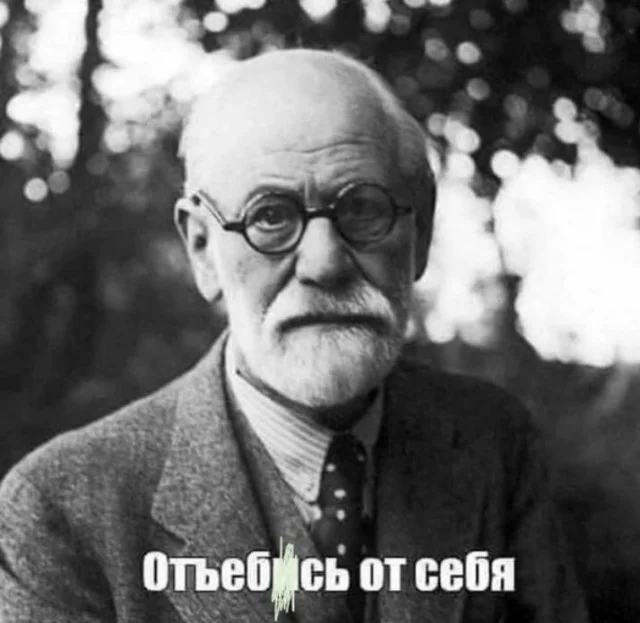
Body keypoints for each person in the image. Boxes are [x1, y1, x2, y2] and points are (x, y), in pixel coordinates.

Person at [0, 48, 588, 623]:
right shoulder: (59, 510)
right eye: (271, 216)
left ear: (422, 233)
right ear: (202, 248)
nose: (325, 263)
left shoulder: (494, 442)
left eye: (363, 209)